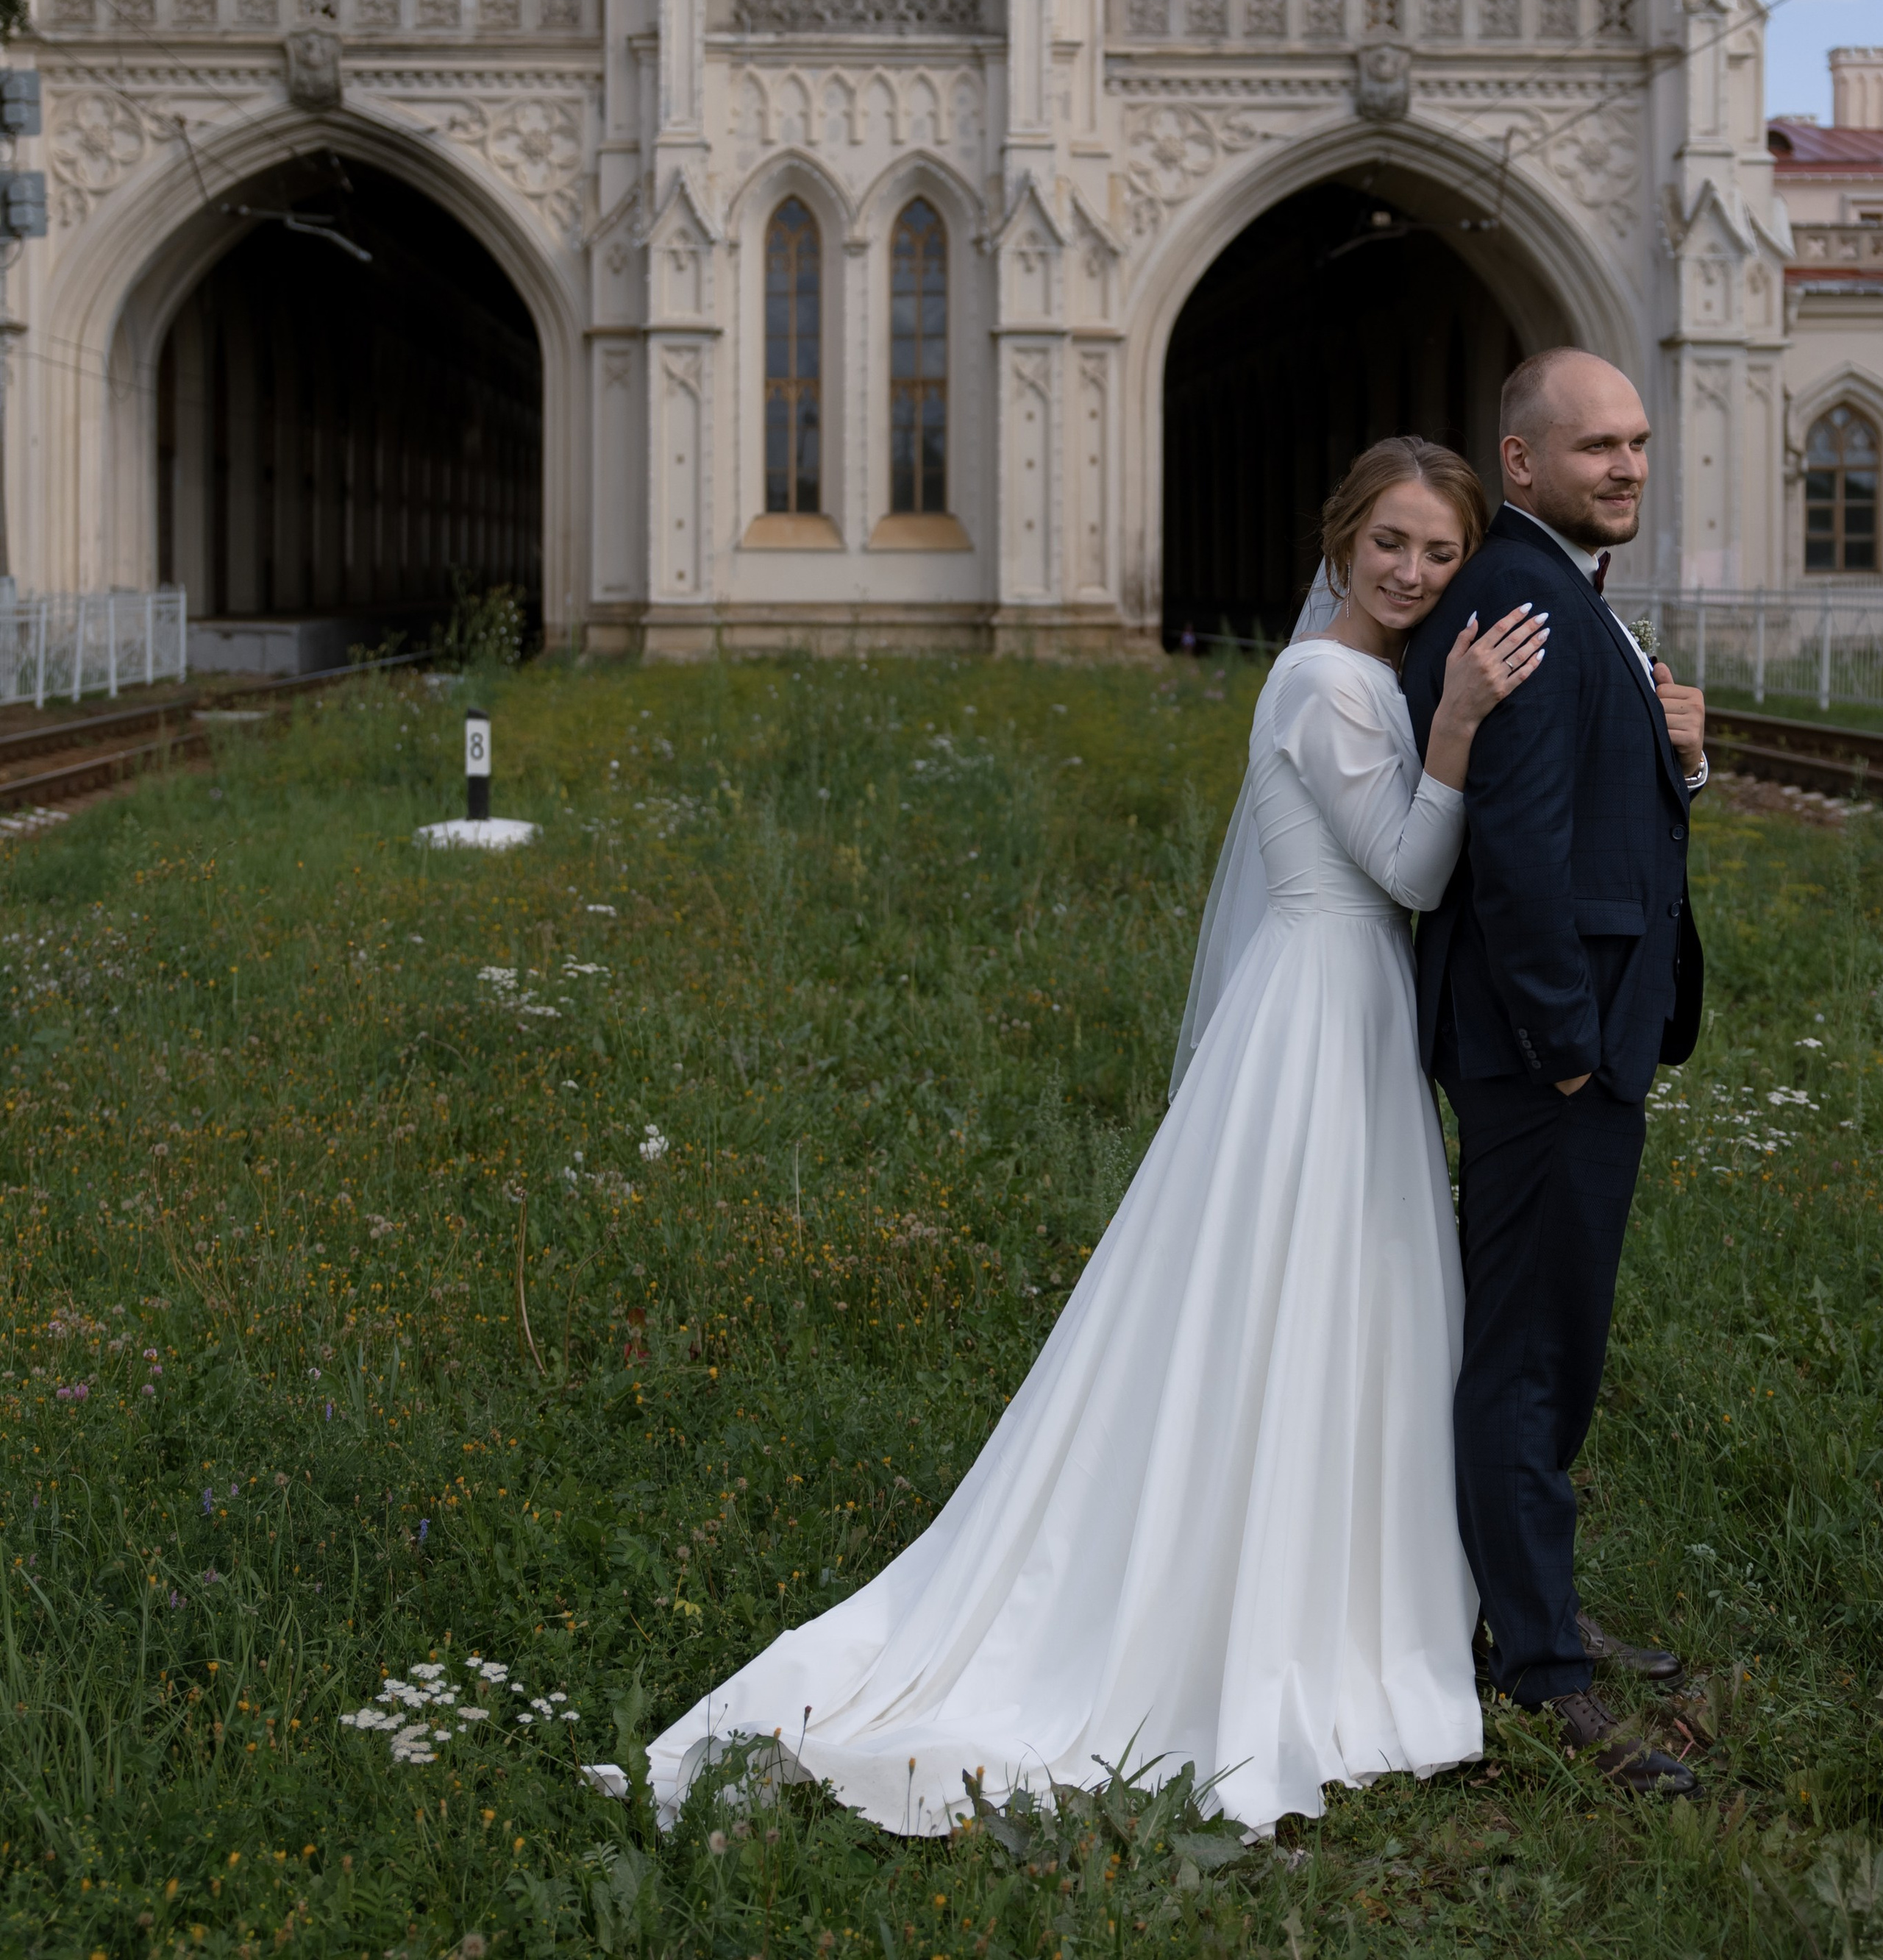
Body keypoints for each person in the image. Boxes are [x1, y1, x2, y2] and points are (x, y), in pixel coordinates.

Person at [626, 438, 1545, 1839]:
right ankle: (1250, 1609)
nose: (1416, 573)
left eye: (1440, 552)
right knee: (1287, 1289)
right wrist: (1467, 722)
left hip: (1348, 1013)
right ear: (1340, 540)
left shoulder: (1366, 676)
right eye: (1392, 546)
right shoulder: (1325, 681)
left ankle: (1342, 1589)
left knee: (1353, 1299)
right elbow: (1411, 867)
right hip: (1312, 1016)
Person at [1401, 349, 1706, 1797]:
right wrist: (1566, 1050)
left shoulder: (1561, 591)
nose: (1626, 466)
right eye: (1595, 447)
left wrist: (1680, 763)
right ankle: (1538, 1670)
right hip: (1551, 1057)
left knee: (1553, 1344)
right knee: (1524, 1358)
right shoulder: (1518, 597)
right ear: (1519, 465)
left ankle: (1528, 1607)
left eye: (1636, 442)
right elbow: (1508, 851)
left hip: (1579, 1040)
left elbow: (1583, 805)